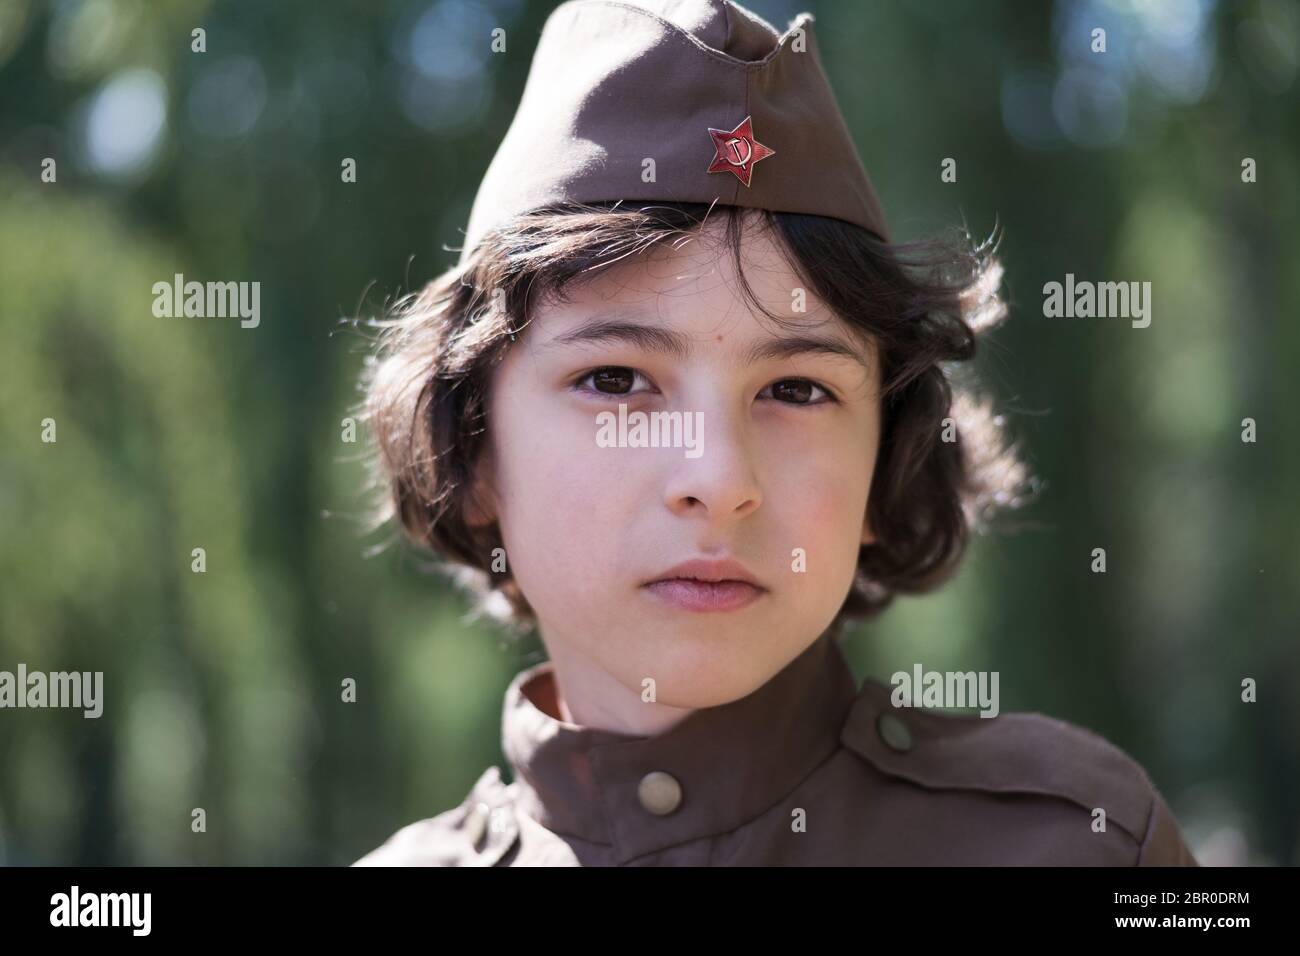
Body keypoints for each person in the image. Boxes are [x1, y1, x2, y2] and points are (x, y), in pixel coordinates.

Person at [351, 0, 1198, 866]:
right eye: (614, 381)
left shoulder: (1084, 839)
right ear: (473, 447)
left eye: (796, 388)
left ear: (886, 457)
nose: (719, 477)